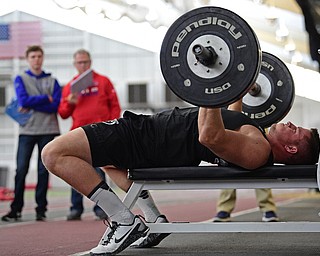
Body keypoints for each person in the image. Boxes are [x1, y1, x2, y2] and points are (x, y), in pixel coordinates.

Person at [41, 100, 319, 255]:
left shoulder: (258, 150)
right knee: (107, 163)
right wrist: (236, 86)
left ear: (292, 149)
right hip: (150, 135)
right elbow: (229, 120)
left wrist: (209, 89)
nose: (292, 123)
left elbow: (210, 136)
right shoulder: (255, 136)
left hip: (147, 141)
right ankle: (153, 219)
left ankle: (124, 222)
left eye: (298, 131)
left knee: (53, 154)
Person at [58, 49, 121, 221]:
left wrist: (113, 127)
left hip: (100, 132)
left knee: (101, 170)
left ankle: (102, 208)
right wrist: (69, 103)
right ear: (74, 64)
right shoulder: (70, 87)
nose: (83, 65)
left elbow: (115, 106)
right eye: (80, 62)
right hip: (78, 133)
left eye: (85, 62)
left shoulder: (103, 81)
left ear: (90, 62)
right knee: (74, 170)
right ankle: (75, 207)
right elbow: (62, 113)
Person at [2, 45, 61, 222]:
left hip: (48, 130)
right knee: (21, 170)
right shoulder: (20, 78)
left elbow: (56, 105)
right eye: (33, 56)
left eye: (39, 56)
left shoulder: (53, 81)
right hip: (27, 130)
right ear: (28, 59)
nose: (36, 59)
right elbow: (23, 100)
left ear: (43, 58)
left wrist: (33, 103)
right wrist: (45, 98)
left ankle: (40, 210)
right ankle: (16, 209)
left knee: (44, 171)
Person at [213, 101, 279, 223]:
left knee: (262, 164)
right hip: (231, 118)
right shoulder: (230, 84)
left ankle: (267, 207)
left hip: (257, 120)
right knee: (228, 164)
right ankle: (224, 208)